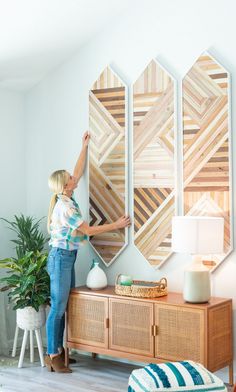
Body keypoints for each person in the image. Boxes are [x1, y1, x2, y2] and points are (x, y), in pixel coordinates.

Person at [44, 131, 130, 373]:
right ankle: (53, 354)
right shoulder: (65, 208)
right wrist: (117, 225)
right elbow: (89, 229)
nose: (75, 177)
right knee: (58, 308)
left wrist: (84, 146)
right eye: (70, 177)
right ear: (65, 185)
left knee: (62, 306)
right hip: (60, 258)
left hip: (66, 258)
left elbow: (78, 170)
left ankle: (58, 352)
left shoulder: (67, 198)